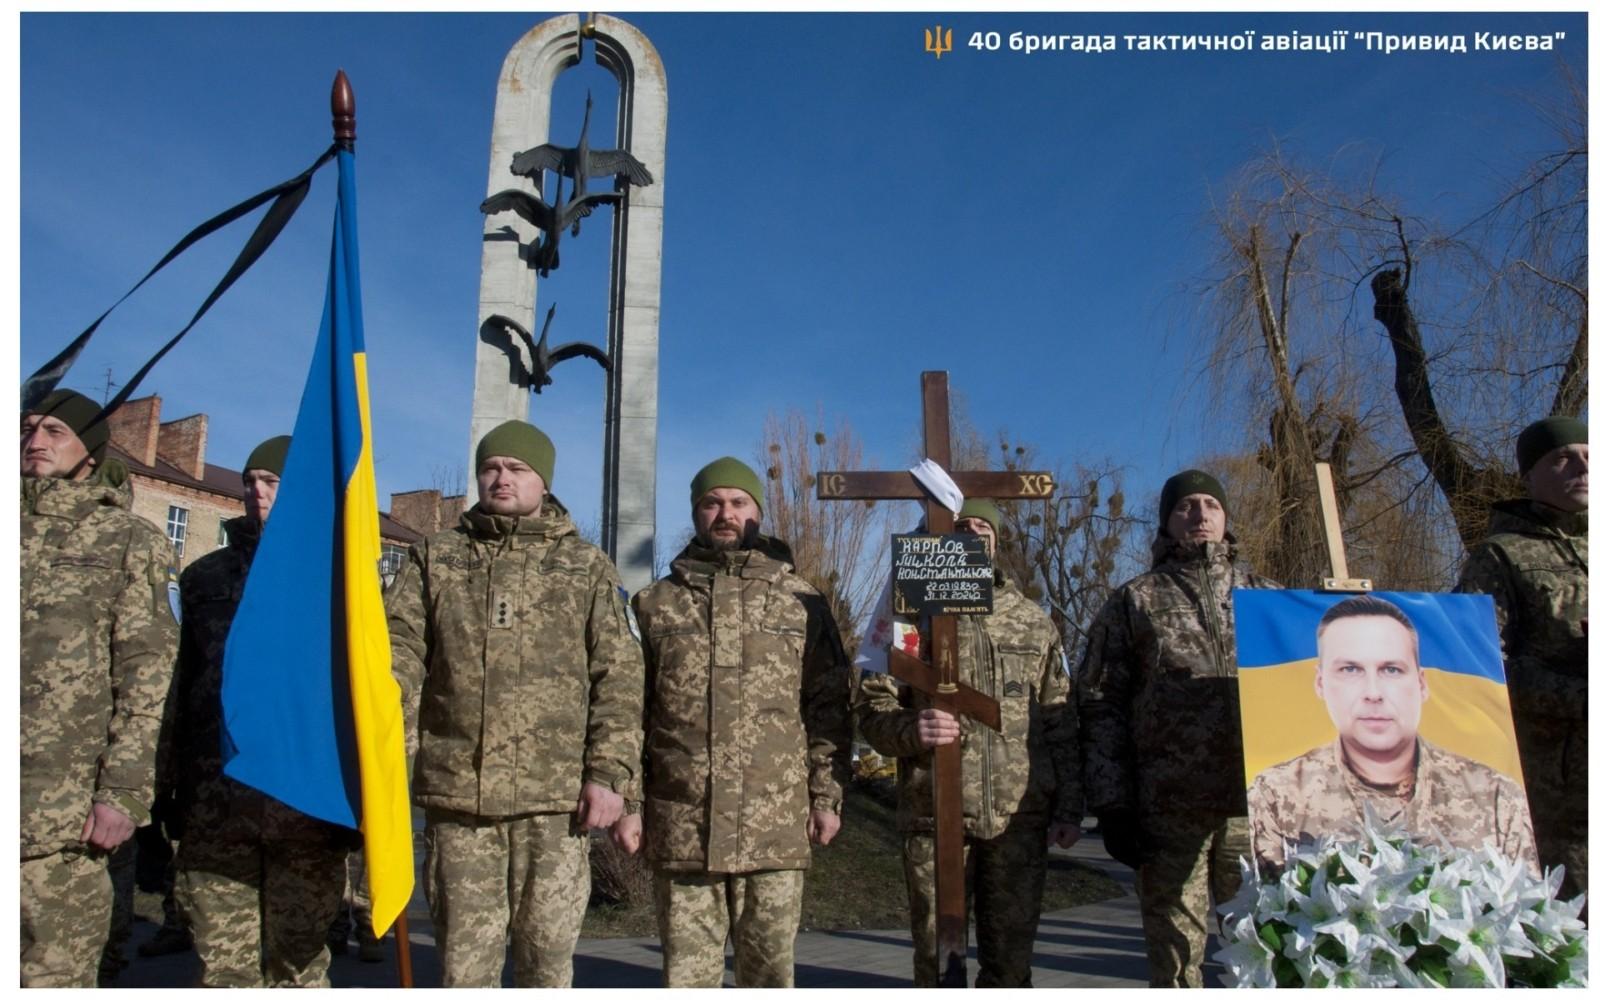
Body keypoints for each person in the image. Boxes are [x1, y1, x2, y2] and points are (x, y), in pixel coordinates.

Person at [387, 419, 645, 987]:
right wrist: (383, 707)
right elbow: (400, 648)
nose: (501, 478)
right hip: (460, 801)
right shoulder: (436, 558)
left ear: (543, 482)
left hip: (552, 807)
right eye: (490, 468)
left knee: (546, 966)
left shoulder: (585, 566)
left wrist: (609, 773)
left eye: (517, 468)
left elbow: (620, 677)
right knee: (463, 968)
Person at [618, 457, 853, 987]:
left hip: (774, 825)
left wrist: (826, 797)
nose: (725, 513)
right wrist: (629, 803)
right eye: (712, 502)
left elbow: (828, 708)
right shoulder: (655, 604)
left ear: (757, 513)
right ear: (697, 513)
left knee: (769, 974)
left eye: (738, 502)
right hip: (683, 826)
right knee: (688, 978)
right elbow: (629, 710)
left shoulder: (803, 603)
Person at [856, 498, 1082, 987]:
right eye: (961, 526)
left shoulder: (1032, 620)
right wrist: (912, 729)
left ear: (997, 542)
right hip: (935, 814)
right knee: (941, 967)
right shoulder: (907, 612)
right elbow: (871, 709)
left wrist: (1069, 807)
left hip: (1016, 820)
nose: (974, 533)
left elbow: (1060, 720)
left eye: (984, 527)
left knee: (1011, 966)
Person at [1075, 470, 1278, 988]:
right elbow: (1100, 703)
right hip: (1168, 808)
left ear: (1226, 517)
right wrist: (1114, 805)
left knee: (1261, 946)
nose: (1201, 514)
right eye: (1186, 505)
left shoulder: (1267, 598)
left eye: (1211, 503)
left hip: (1254, 809)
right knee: (1174, 953)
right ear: (1167, 520)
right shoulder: (1135, 601)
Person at [169, 435, 358, 987]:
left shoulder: (339, 580)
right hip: (216, 801)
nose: (256, 492)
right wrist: (165, 787)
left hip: (303, 803)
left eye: (271, 481)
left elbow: (362, 696)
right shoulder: (203, 578)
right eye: (249, 481)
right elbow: (178, 686)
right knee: (222, 967)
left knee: (298, 964)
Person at [21, 389, 179, 987]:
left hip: (64, 816)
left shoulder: (128, 541)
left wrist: (123, 792)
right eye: (28, 429)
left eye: (55, 431)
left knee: (51, 976)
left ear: (88, 450)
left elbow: (147, 673)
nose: (36, 442)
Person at [1248, 595, 1536, 873]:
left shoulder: (1496, 796)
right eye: (1350, 669)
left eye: (1391, 670)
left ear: (1421, 684)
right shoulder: (1275, 794)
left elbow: (1526, 912)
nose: (1373, 693)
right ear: (1321, 683)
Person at [1457, 416, 1587, 901]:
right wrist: (1576, 694)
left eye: (1589, 455)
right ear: (1529, 476)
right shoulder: (1500, 556)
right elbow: (1479, 667)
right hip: (1560, 791)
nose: (1581, 466)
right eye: (1562, 458)